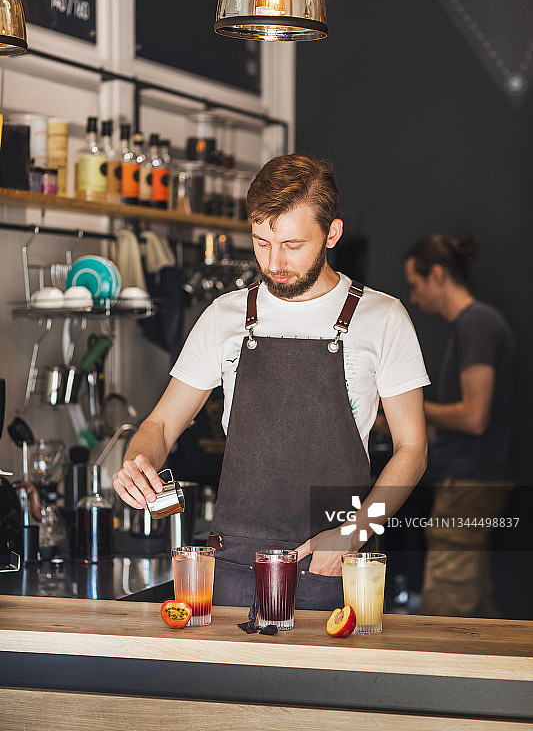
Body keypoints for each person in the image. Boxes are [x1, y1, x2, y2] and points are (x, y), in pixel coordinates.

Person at [114, 154, 429, 610]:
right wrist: (138, 462)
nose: (274, 263)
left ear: (332, 233)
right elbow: (161, 425)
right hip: (235, 568)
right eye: (261, 242)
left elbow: (413, 450)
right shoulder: (225, 316)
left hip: (335, 562)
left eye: (292, 245)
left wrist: (355, 532)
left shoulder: (381, 317)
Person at [404, 232, 515, 617]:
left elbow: (474, 417)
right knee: (477, 602)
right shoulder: (474, 326)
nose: (414, 298)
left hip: (470, 482)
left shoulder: (477, 324)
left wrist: (415, 406)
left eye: (415, 285)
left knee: (447, 603)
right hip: (474, 478)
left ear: (437, 274)